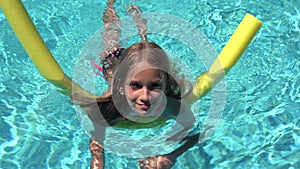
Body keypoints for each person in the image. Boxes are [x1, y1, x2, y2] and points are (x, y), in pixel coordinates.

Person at [71, 0, 204, 168]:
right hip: (113, 65)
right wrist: (97, 164)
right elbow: (97, 143)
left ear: (165, 85)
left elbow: (195, 132)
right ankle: (111, 5)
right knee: (111, 39)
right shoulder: (109, 108)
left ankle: (141, 28)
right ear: (121, 86)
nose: (145, 97)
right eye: (135, 86)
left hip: (132, 70)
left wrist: (170, 156)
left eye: (155, 86)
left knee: (145, 52)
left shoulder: (172, 106)